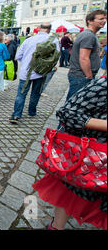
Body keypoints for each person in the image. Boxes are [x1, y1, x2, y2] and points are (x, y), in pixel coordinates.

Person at [32, 76, 107, 230]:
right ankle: (56, 227)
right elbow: (67, 113)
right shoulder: (104, 84)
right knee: (74, 190)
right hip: (94, 158)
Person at [9, 23, 59, 124]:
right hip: (41, 71)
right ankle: (32, 112)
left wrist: (27, 61)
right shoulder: (54, 40)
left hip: (26, 71)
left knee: (21, 94)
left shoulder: (29, 40)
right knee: (36, 93)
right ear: (49, 30)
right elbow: (56, 56)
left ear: (39, 29)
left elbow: (18, 56)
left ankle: (16, 115)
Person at [66, 9, 106, 101]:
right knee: (73, 103)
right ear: (90, 21)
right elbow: (84, 58)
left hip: (82, 76)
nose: (104, 21)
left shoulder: (91, 35)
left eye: (105, 18)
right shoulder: (88, 35)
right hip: (81, 76)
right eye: (100, 19)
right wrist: (89, 76)